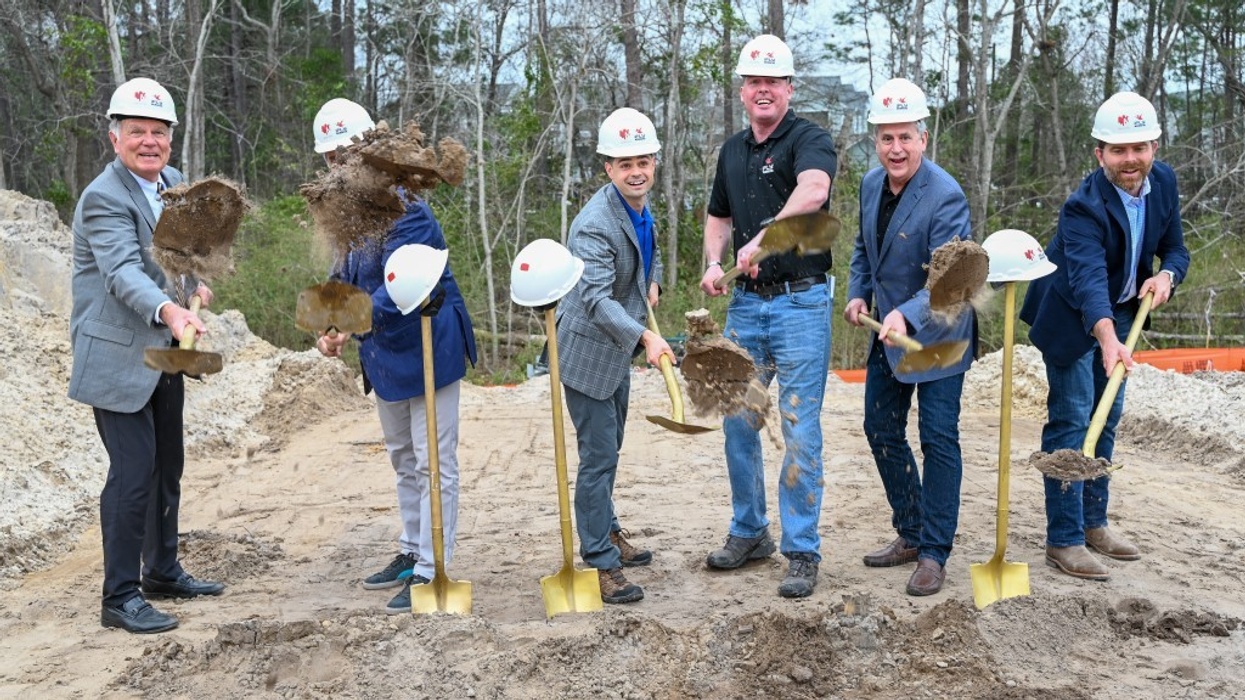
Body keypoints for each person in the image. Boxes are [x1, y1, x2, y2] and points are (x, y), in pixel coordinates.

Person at [69, 78, 225, 634]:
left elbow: (178, 256)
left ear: (170, 139)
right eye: (137, 131)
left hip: (164, 354)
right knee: (133, 473)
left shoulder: (175, 184)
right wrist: (170, 311)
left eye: (158, 132)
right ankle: (119, 597)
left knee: (167, 468)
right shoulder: (103, 198)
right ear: (116, 139)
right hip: (116, 357)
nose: (149, 142)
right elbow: (121, 273)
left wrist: (193, 289)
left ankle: (161, 571)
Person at [310, 99, 477, 612]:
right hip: (383, 355)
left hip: (428, 346)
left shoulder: (409, 209)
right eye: (332, 159)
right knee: (404, 459)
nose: (341, 166)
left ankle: (432, 568)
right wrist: (329, 324)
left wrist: (352, 319)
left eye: (348, 155)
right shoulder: (347, 212)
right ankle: (410, 550)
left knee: (434, 463)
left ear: (374, 153)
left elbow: (394, 294)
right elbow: (343, 280)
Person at [1020, 91, 1190, 581]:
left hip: (1119, 312)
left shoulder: (1164, 182)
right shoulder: (1082, 207)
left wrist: (1167, 277)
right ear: (1100, 154)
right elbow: (1088, 279)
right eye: (1118, 150)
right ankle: (1064, 539)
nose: (1130, 159)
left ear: (1154, 146)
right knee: (1072, 422)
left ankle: (1094, 523)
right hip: (1074, 318)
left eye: (1139, 147)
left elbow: (1175, 248)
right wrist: (1108, 338)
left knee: (1107, 417)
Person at [699, 35, 837, 599]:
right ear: (742, 90)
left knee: (800, 425)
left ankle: (801, 550)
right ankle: (750, 531)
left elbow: (815, 190)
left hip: (802, 302)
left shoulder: (810, 139)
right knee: (739, 420)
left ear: (788, 88)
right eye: (753, 82)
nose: (762, 90)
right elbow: (717, 216)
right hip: (747, 308)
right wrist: (714, 261)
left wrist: (764, 239)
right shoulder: (732, 151)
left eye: (772, 81)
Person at [843, 78, 976, 597]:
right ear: (875, 140)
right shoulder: (871, 184)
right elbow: (863, 248)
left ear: (923, 138)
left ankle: (934, 553)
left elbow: (951, 277)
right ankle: (911, 529)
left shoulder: (946, 195)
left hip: (939, 333)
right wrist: (859, 294)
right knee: (880, 428)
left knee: (938, 439)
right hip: (889, 334)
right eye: (885, 138)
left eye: (905, 137)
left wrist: (905, 313)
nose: (895, 148)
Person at [554, 107, 674, 604]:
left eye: (644, 160)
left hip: (616, 347)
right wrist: (646, 338)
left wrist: (653, 280)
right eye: (625, 164)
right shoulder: (593, 225)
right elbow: (596, 300)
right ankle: (600, 562)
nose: (636, 171)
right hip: (588, 351)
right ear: (607, 168)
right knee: (598, 457)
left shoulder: (639, 207)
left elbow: (649, 252)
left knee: (609, 449)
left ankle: (610, 529)